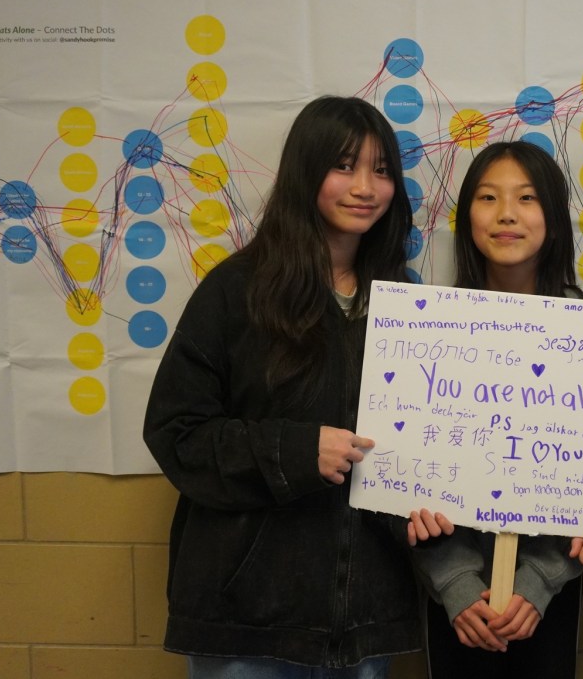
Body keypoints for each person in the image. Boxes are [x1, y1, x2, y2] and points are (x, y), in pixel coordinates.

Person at [143, 95, 451, 679]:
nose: (365, 187)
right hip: (247, 623)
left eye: (381, 170)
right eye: (344, 165)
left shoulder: (406, 304)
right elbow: (176, 432)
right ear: (304, 172)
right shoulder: (237, 290)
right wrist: (295, 451)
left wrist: (426, 504)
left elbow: (409, 449)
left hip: (365, 624)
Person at [412, 140, 583, 679]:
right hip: (451, 598)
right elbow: (406, 477)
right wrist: (455, 584)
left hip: (549, 596)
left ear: (555, 219)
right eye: (489, 197)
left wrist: (538, 582)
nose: (507, 214)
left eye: (528, 198)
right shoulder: (431, 328)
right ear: (468, 217)